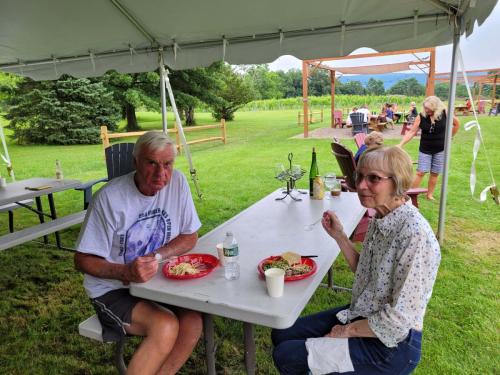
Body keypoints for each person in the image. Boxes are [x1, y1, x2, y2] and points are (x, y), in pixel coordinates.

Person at [272, 146, 441, 375]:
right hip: (367, 313)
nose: (361, 185)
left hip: (391, 347)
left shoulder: (414, 235)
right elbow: (366, 272)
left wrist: (346, 331)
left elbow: (399, 319)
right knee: (281, 334)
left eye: (373, 178)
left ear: (397, 182)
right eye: (360, 176)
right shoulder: (381, 216)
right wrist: (340, 236)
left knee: (287, 356)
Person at [74, 132, 203, 375]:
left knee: (192, 322)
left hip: (158, 281)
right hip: (112, 289)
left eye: (167, 164)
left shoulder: (177, 183)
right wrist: (124, 271)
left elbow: (190, 236)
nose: (160, 173)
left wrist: (156, 257)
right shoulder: (109, 199)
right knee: (165, 325)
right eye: (151, 163)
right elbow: (82, 260)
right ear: (136, 162)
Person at [399, 95, 460, 200]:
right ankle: (410, 196)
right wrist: (401, 144)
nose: (426, 110)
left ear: (436, 107)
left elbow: (456, 124)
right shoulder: (421, 116)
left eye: (429, 108)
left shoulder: (445, 113)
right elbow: (412, 132)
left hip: (441, 149)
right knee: (421, 172)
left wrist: (449, 137)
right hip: (425, 149)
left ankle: (429, 195)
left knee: (435, 173)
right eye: (425, 107)